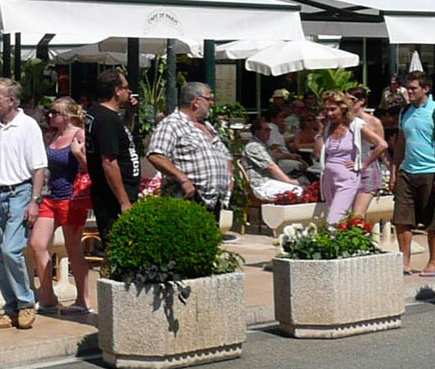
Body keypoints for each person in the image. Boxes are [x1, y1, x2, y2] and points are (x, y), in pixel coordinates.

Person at [0, 77, 47, 327]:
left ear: (12, 101)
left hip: (20, 192)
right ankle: (12, 306)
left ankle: (26, 302)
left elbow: (38, 167)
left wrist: (34, 201)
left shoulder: (28, 126)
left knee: (10, 250)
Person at [390, 72, 435, 277]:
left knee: (433, 221)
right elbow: (400, 143)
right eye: (407, 88)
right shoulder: (405, 112)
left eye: (413, 88)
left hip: (431, 172)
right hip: (407, 171)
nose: (409, 92)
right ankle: (405, 261)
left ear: (425, 89)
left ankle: (433, 262)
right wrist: (394, 171)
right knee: (402, 218)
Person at [34, 97, 93, 317]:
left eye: (54, 112)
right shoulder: (54, 135)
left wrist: (78, 153)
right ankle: (48, 296)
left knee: (73, 249)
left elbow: (92, 169)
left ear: (67, 116)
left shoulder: (79, 135)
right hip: (50, 197)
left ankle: (83, 299)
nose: (50, 115)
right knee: (38, 244)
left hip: (71, 198)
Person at [147, 83, 232, 217]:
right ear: (196, 102)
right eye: (209, 99)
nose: (211, 103)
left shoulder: (208, 126)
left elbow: (226, 155)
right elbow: (156, 155)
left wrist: (229, 179)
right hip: (188, 200)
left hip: (215, 203)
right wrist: (183, 180)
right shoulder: (172, 124)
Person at [87, 70, 140, 246]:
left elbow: (123, 137)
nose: (129, 92)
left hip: (119, 192)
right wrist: (124, 202)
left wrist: (130, 113)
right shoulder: (105, 119)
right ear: (117, 90)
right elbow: (109, 162)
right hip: (113, 198)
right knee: (119, 247)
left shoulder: (104, 115)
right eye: (126, 88)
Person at [318, 91, 386, 225]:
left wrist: (363, 164)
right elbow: (319, 150)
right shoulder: (329, 127)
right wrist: (320, 129)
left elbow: (382, 144)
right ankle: (348, 244)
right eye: (326, 110)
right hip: (329, 178)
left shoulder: (356, 125)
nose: (329, 113)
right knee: (340, 218)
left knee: (336, 219)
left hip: (349, 177)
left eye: (333, 109)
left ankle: (334, 243)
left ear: (342, 108)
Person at [348, 87, 391, 218]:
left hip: (367, 167)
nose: (348, 103)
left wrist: (391, 171)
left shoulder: (374, 122)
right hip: (349, 167)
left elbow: (383, 149)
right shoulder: (344, 121)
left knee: (357, 214)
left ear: (361, 101)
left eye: (352, 100)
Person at [241, 119, 303, 200]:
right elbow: (271, 166)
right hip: (261, 185)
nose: (269, 132)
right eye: (266, 130)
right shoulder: (254, 146)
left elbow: (273, 156)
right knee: (297, 190)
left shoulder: (262, 145)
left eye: (270, 130)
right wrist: (288, 180)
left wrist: (289, 156)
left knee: (302, 183)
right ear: (257, 132)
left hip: (268, 181)